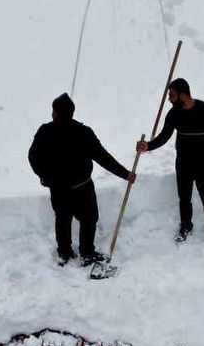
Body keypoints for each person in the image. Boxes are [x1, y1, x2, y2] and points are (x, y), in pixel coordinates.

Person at [29, 93, 136, 266]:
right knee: (88, 219)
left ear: (55, 113)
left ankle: (64, 252)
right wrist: (125, 174)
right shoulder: (84, 132)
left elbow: (33, 157)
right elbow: (103, 157)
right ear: (72, 112)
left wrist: (44, 176)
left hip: (59, 188)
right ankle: (86, 252)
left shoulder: (45, 131)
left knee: (62, 219)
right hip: (82, 188)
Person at [136, 78, 204, 242]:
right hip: (183, 163)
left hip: (203, 163)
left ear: (183, 96)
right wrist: (148, 146)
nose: (169, 99)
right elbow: (163, 137)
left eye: (172, 95)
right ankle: (186, 225)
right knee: (184, 197)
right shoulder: (174, 114)